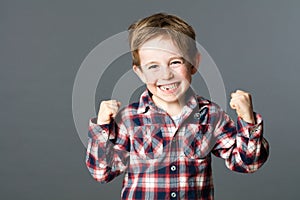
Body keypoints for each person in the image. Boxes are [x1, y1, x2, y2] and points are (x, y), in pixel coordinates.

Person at [85, 12, 269, 199]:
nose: (166, 75)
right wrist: (102, 128)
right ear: (140, 72)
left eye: (175, 62)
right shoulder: (128, 119)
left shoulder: (210, 115)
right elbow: (102, 173)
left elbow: (248, 164)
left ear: (194, 63)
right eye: (153, 66)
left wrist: (248, 120)